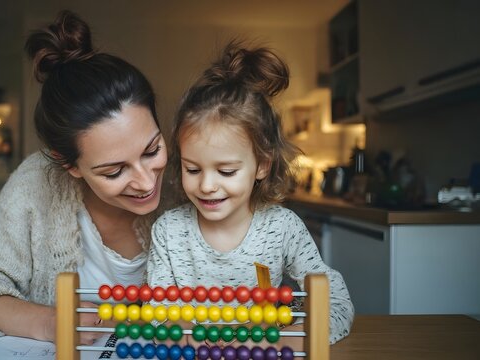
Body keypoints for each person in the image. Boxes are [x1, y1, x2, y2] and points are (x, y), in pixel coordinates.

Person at [0, 10, 168, 345]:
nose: (146, 182)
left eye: (152, 150)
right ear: (68, 164)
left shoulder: (194, 181)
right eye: (114, 171)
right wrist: (46, 322)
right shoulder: (38, 183)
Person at [146, 41, 354, 347]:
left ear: (262, 166)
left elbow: (336, 302)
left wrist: (290, 342)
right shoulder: (168, 231)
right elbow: (157, 314)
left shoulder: (282, 228)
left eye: (226, 172)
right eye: (192, 170)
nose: (206, 185)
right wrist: (194, 339)